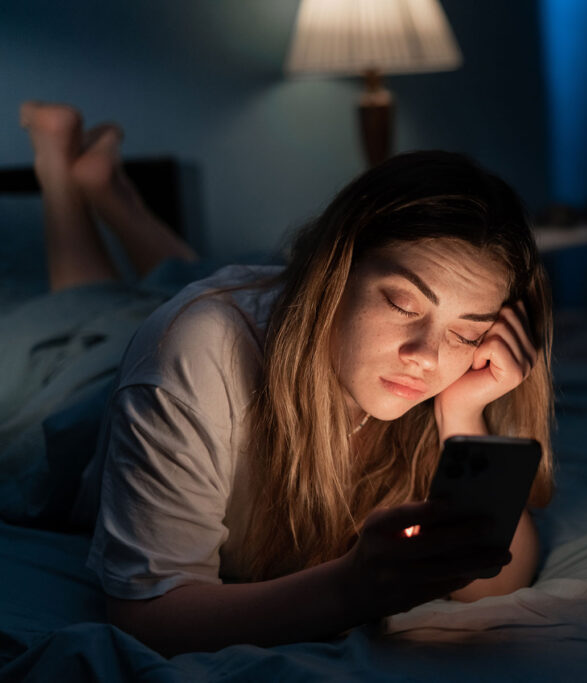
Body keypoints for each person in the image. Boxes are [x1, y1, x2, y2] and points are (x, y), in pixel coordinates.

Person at [14, 102, 555, 656]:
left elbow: (499, 580)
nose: (426, 357)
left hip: (258, 306)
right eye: (401, 302)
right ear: (333, 271)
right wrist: (355, 585)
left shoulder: (443, 378)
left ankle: (111, 192)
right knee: (99, 307)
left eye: (466, 334)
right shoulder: (193, 352)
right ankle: (59, 171)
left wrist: (465, 419)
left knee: (181, 283)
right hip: (95, 377)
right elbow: (147, 613)